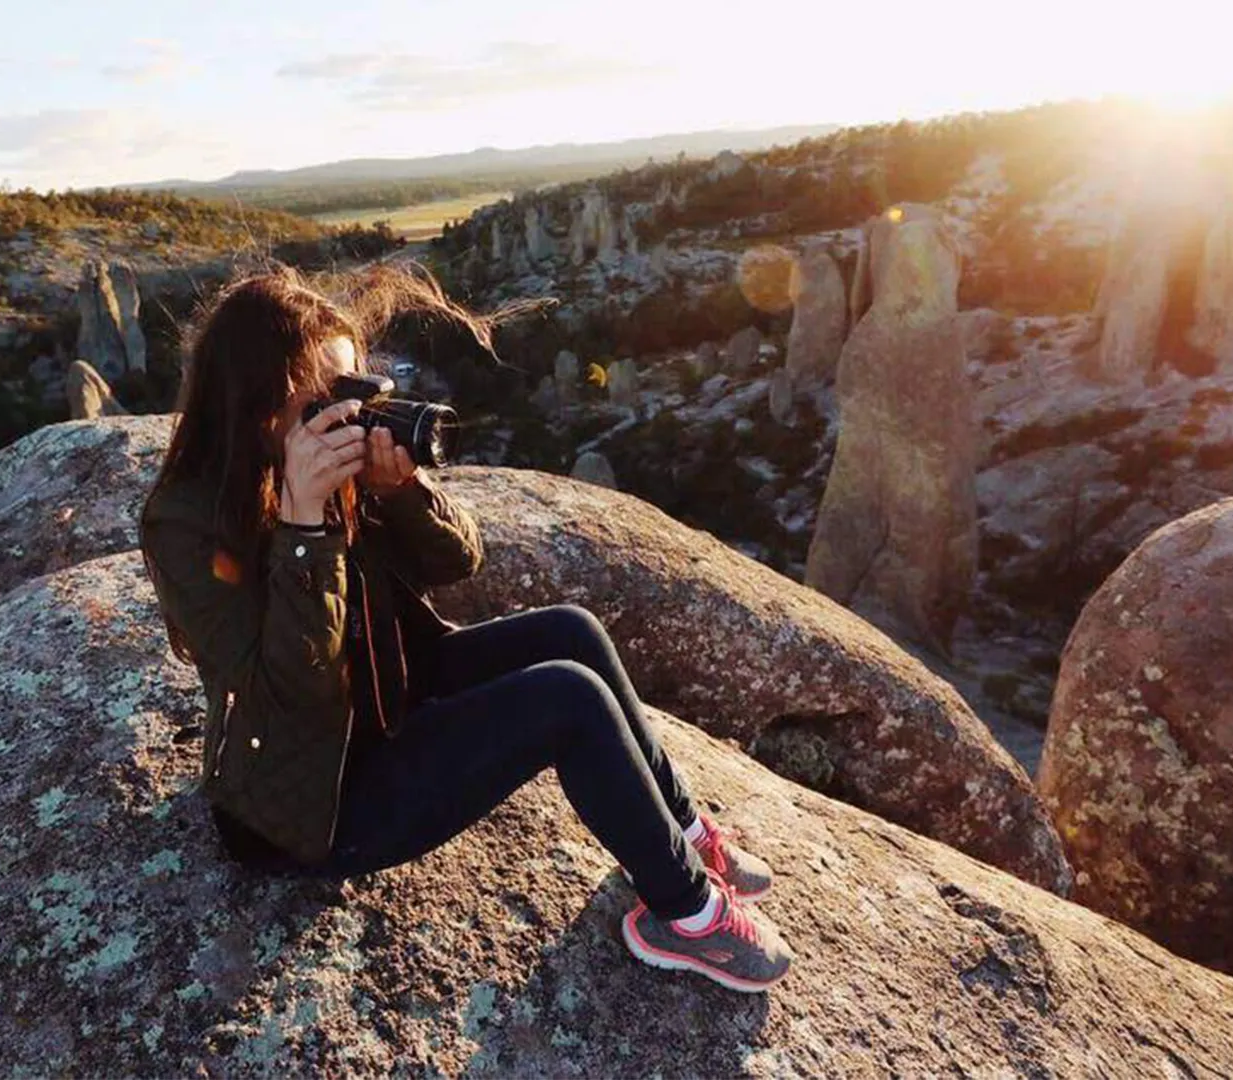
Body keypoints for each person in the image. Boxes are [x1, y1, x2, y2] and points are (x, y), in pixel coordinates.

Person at [137, 265, 794, 992]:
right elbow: (288, 691)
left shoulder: (336, 460)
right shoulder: (184, 523)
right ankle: (689, 918)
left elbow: (459, 561)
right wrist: (302, 527)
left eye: (359, 391)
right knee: (566, 701)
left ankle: (686, 836)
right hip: (313, 801)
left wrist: (403, 489)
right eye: (330, 398)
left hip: (391, 699)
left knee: (572, 632)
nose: (353, 416)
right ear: (255, 406)